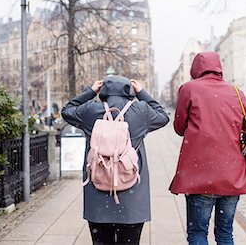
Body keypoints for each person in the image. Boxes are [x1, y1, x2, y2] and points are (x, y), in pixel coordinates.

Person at [62, 76, 169, 245]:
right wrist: (141, 93)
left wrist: (90, 92)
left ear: (103, 90)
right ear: (129, 91)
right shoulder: (141, 111)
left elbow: (67, 110)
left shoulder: (90, 110)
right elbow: (163, 116)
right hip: (132, 199)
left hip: (97, 198)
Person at [169, 52, 246, 245]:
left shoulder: (189, 89)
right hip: (231, 176)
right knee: (225, 234)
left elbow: (179, 127)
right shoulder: (237, 92)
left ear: (196, 69)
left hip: (200, 175)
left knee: (198, 232)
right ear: (219, 67)